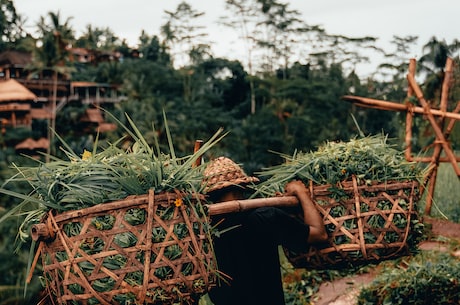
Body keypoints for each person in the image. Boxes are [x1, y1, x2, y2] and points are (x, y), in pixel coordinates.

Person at [202, 157, 328, 305]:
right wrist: (302, 193)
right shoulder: (265, 218)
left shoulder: (204, 231)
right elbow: (319, 234)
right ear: (243, 187)